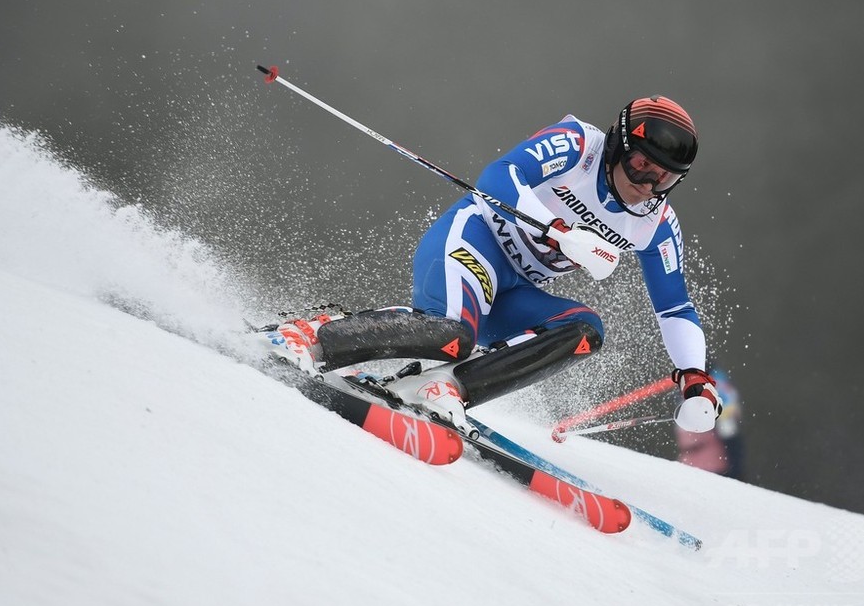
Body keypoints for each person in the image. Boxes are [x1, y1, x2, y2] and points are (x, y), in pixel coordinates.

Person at [268, 95, 723, 436]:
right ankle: (314, 335)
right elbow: (498, 176)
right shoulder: (580, 145)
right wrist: (558, 230)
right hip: (474, 242)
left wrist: (694, 376)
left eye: (666, 178)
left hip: (517, 289)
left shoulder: (657, 224)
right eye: (643, 165)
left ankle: (444, 388)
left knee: (586, 330)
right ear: (620, 147)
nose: (648, 185)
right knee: (452, 335)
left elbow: (675, 307)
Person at [675, 365, 745, 479]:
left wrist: (735, 469)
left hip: (711, 466)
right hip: (689, 462)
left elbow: (729, 432)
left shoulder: (717, 386)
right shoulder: (686, 382)